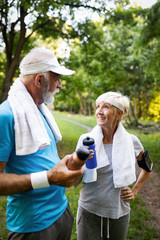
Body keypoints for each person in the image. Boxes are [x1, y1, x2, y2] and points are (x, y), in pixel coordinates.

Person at [0, 47, 85, 240]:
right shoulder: (6, 115)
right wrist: (49, 178)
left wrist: (69, 167)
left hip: (61, 211)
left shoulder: (38, 109)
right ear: (39, 80)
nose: (60, 85)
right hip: (33, 225)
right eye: (57, 78)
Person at [76, 91, 153, 240]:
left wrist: (135, 191)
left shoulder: (132, 141)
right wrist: (79, 163)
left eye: (105, 107)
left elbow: (148, 167)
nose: (99, 111)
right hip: (88, 210)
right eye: (98, 106)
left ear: (119, 114)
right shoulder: (85, 141)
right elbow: (75, 178)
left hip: (119, 212)